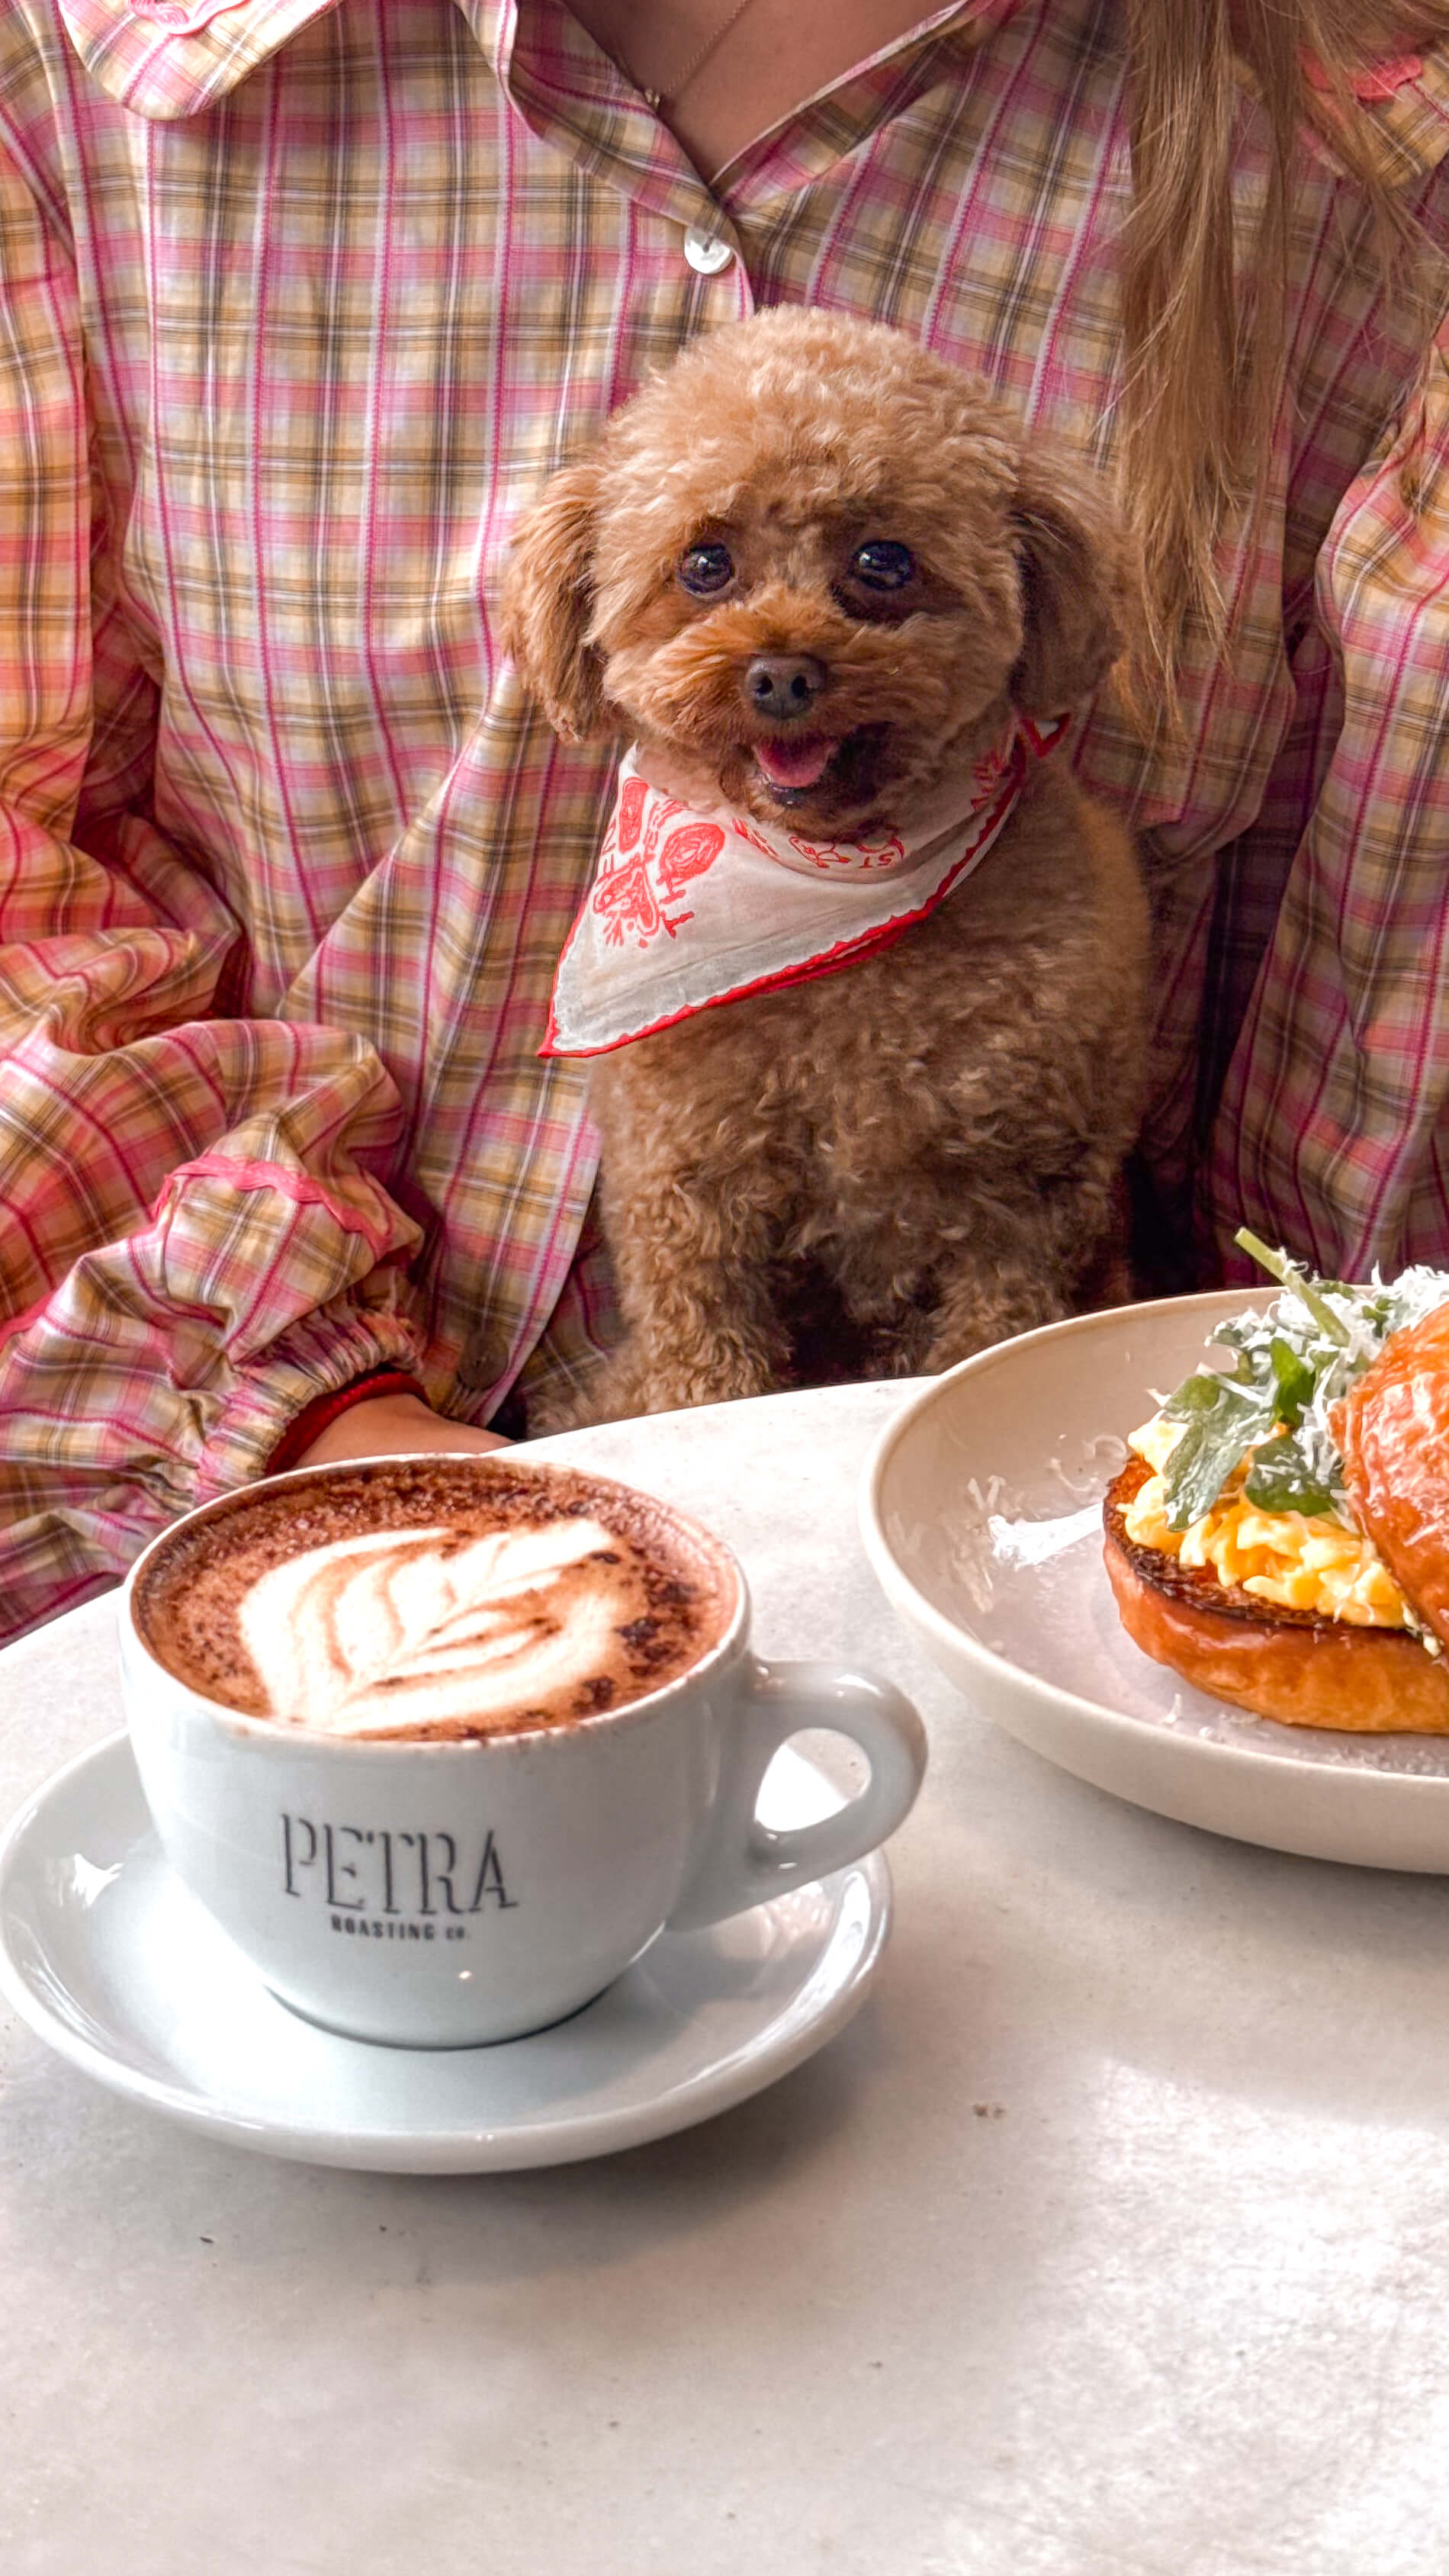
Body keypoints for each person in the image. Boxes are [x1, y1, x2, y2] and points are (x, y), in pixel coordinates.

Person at [3, 0, 1449, 1644]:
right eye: (704, 572)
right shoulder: (81, 84)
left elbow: (1375, 1108)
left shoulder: (1367, 176)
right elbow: (27, 880)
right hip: (270, 1548)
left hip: (1053, 1582)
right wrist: (332, 1435)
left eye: (880, 574)